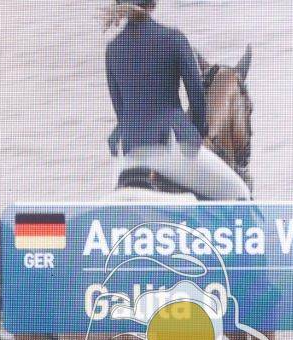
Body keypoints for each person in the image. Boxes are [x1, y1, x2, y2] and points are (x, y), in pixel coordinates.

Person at [104, 0, 251, 200]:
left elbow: (120, 109)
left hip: (126, 155)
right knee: (240, 193)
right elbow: (197, 97)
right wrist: (197, 132)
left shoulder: (112, 49)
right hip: (173, 149)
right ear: (152, 4)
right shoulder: (174, 39)